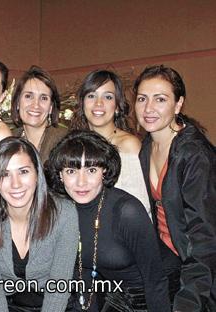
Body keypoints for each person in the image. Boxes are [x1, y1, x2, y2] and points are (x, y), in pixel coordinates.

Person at [46, 130, 170, 312]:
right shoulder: (64, 211)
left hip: (153, 298)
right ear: (60, 175)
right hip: (114, 298)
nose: (81, 182)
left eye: (91, 170)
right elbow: (84, 274)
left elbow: (156, 281)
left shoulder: (127, 211)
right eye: (71, 171)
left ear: (104, 171)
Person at [134, 65, 216, 311]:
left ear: (178, 104)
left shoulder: (195, 155)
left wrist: (189, 302)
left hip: (198, 276)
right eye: (142, 98)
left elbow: (205, 240)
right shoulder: (147, 146)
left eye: (160, 99)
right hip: (169, 264)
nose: (148, 109)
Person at [0, 137, 79, 312]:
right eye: (5, 174)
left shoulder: (64, 213)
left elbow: (60, 289)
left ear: (37, 173)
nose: (16, 184)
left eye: (23, 171)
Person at [70, 69, 151, 219]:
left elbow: (141, 207)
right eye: (91, 95)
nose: (98, 103)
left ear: (118, 106)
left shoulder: (129, 146)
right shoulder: (76, 145)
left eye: (107, 97)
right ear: (82, 104)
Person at [11, 65, 67, 163]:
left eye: (44, 98)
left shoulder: (64, 141)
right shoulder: (9, 138)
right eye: (28, 96)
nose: (35, 105)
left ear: (51, 107)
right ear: (18, 103)